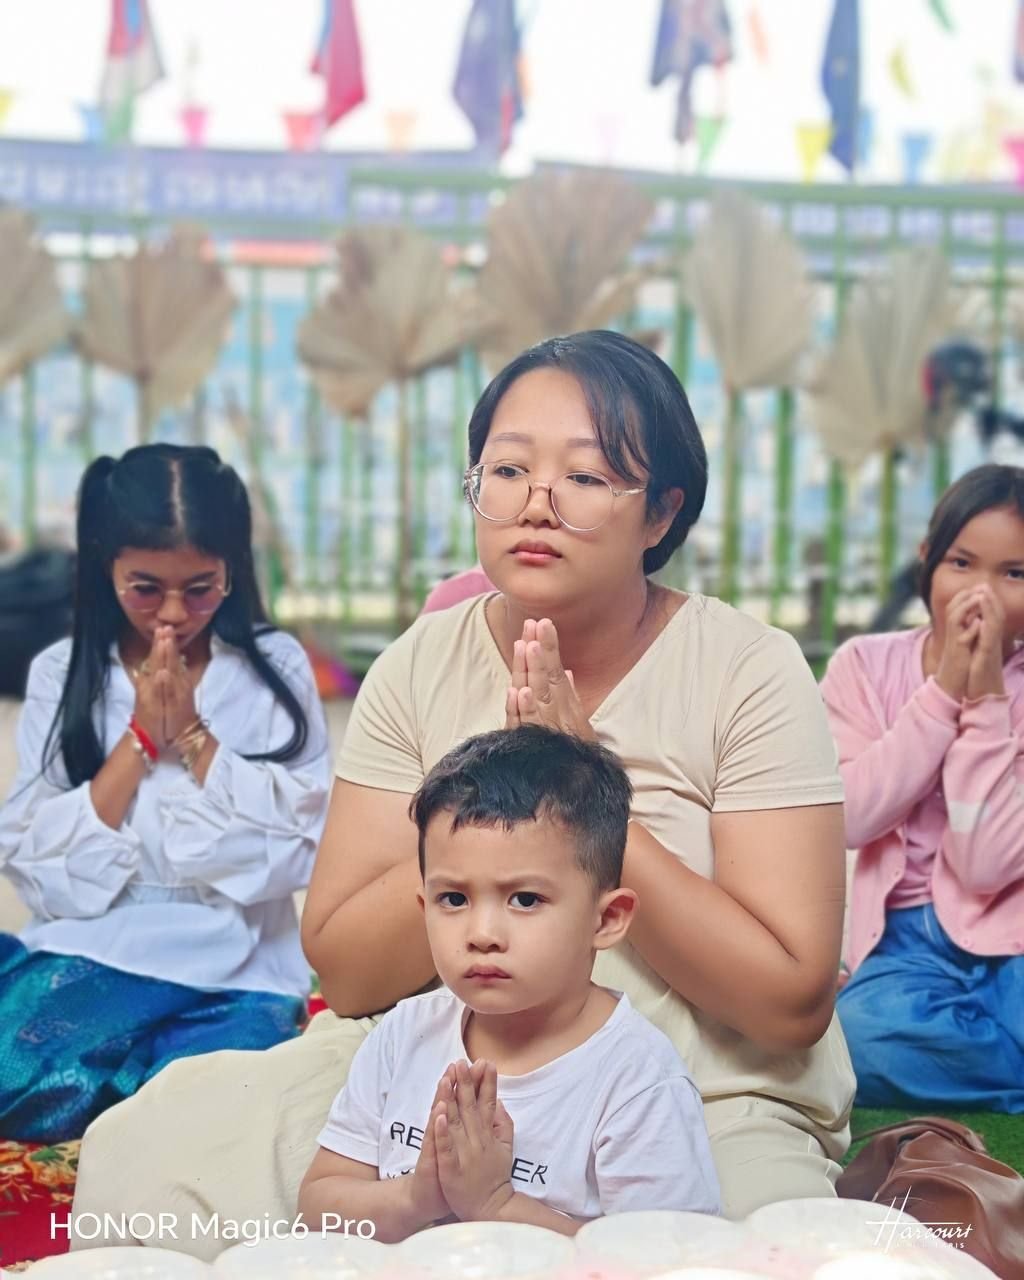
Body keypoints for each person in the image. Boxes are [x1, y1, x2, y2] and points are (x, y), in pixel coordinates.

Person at [72, 332, 852, 1259]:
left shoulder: (746, 669)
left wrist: (578, 787)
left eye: (589, 478)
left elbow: (788, 1002)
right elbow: (350, 972)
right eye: (508, 470)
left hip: (696, 1084)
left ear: (661, 513)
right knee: (148, 1155)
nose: (537, 505)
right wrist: (484, 810)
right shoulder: (422, 663)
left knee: (760, 1258)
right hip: (426, 1084)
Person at [0, 445, 330, 1142]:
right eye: (145, 588)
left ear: (233, 573)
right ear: (105, 567)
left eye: (201, 588)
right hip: (90, 951)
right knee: (20, 1076)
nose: (173, 616)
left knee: (220, 1106)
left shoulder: (274, 669)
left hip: (237, 969)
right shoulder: (63, 672)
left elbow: (305, 846)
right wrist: (142, 742)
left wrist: (194, 735)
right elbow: (34, 866)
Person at [300, 727, 721, 1239]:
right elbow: (320, 1203)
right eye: (453, 900)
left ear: (606, 919)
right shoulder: (405, 1034)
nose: (481, 935)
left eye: (524, 900)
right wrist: (416, 1198)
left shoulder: (635, 1080)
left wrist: (497, 1205)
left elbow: (668, 1259)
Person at [823, 464, 1024, 1113]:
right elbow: (850, 815)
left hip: (1015, 933)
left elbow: (986, 863)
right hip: (904, 945)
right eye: (962, 564)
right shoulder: (863, 666)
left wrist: (989, 697)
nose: (982, 595)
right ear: (927, 562)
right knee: (855, 1039)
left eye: (1014, 575)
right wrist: (942, 698)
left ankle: (975, 1063)